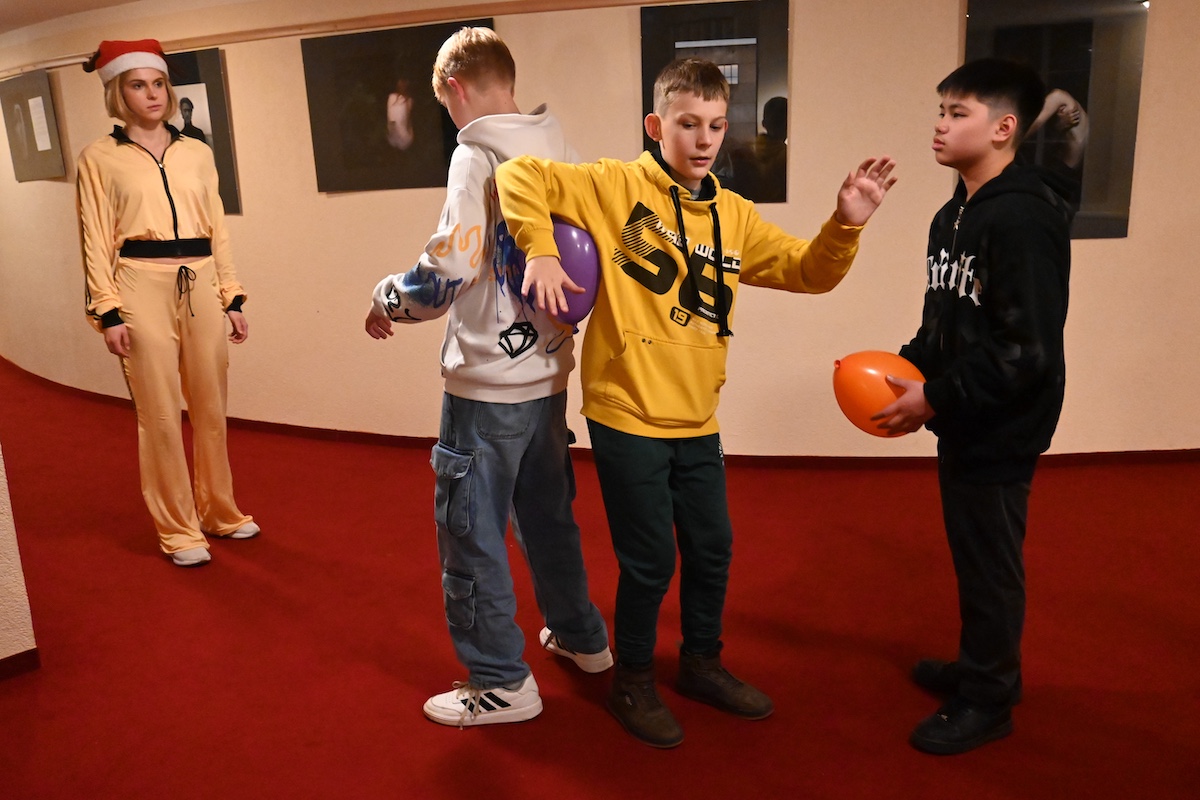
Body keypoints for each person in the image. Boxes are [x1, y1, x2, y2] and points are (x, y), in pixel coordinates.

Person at [496, 57, 896, 748]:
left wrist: (845, 223)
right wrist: (540, 251)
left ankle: (702, 663)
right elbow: (518, 176)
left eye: (715, 125)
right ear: (656, 126)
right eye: (688, 124)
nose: (705, 139)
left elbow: (808, 272)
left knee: (712, 550)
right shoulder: (614, 186)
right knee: (650, 560)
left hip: (697, 418)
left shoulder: (734, 215)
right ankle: (633, 681)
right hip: (626, 413)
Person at [364, 26, 612, 728]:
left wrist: (387, 298)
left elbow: (447, 270)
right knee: (546, 515)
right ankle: (583, 637)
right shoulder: (558, 144)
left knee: (470, 531)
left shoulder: (474, 154)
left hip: (487, 385)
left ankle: (501, 681)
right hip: (549, 374)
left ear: (454, 88)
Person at [874, 57, 1072, 755]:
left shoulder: (1024, 218)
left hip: (1003, 423)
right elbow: (944, 323)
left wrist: (935, 396)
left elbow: (1027, 350)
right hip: (962, 415)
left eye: (958, 113)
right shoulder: (950, 215)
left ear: (1004, 128)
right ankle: (979, 662)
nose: (940, 124)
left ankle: (990, 698)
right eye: (941, 110)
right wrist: (905, 370)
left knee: (990, 563)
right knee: (972, 552)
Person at [77, 39, 259, 568]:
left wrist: (231, 296)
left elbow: (217, 228)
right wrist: (107, 310)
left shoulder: (197, 152)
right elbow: (94, 239)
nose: (152, 94)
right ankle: (179, 530)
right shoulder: (99, 158)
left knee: (210, 406)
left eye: (158, 83)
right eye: (138, 85)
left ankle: (219, 512)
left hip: (200, 280)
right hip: (138, 284)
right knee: (159, 412)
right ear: (119, 93)